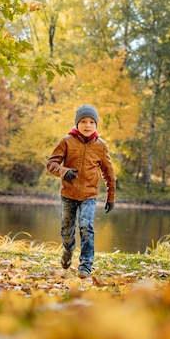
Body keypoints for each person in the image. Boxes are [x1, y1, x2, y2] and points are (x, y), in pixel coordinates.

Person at [46, 104, 116, 279]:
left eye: (92, 122)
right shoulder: (66, 141)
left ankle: (85, 265)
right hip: (68, 194)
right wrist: (64, 171)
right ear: (77, 123)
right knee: (67, 230)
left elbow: (109, 173)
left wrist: (111, 197)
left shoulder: (101, 146)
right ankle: (68, 251)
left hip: (89, 195)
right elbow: (51, 164)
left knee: (86, 226)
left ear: (96, 125)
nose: (88, 125)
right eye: (84, 121)